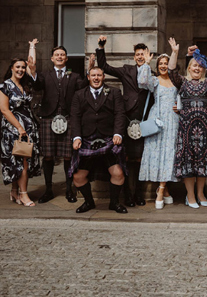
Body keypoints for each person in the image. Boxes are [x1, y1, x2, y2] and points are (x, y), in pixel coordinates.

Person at [27, 39, 88, 204]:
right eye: (57, 55)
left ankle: (69, 190)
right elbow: (37, 85)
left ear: (66, 58)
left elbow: (83, 87)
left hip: (68, 118)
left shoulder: (74, 76)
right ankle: (48, 190)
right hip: (48, 118)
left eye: (62, 55)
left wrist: (89, 71)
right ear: (52, 59)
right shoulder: (45, 75)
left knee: (68, 156)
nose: (60, 57)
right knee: (48, 157)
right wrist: (32, 69)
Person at [167, 38, 207, 209]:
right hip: (187, 130)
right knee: (189, 164)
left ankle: (200, 193)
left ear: (203, 69)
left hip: (205, 130)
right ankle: (190, 195)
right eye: (194, 66)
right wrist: (175, 52)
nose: (197, 68)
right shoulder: (182, 82)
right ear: (189, 68)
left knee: (203, 164)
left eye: (200, 66)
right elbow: (171, 71)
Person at [96, 36, 150, 207]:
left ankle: (138, 194)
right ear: (134, 57)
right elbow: (104, 67)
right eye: (138, 54)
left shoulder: (152, 73)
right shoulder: (126, 70)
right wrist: (101, 47)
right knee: (125, 159)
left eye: (143, 54)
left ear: (148, 56)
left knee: (141, 160)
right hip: (127, 119)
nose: (140, 57)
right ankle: (127, 195)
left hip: (144, 121)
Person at [69, 67, 128, 214]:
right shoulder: (78, 94)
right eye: (93, 75)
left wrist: (118, 134)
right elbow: (75, 117)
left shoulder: (114, 92)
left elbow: (120, 114)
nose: (96, 78)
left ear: (103, 77)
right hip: (87, 140)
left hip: (108, 139)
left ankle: (114, 203)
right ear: (88, 77)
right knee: (78, 176)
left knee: (118, 173)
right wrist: (76, 137)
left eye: (99, 75)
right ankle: (89, 202)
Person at [0, 58, 41, 207]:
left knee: (20, 161)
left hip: (28, 128)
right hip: (14, 129)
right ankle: (24, 194)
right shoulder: (4, 86)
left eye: (23, 67)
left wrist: (32, 48)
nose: (21, 69)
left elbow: (31, 67)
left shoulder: (23, 85)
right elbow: (4, 110)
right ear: (11, 68)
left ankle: (15, 190)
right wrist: (19, 128)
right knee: (22, 162)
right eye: (18, 67)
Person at [137, 49, 179, 209]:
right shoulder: (154, 80)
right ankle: (164, 190)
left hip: (173, 120)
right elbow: (141, 81)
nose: (163, 66)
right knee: (158, 154)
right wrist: (146, 63)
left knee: (169, 154)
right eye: (160, 63)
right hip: (157, 119)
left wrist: (179, 107)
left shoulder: (176, 81)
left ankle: (161, 190)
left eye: (166, 63)